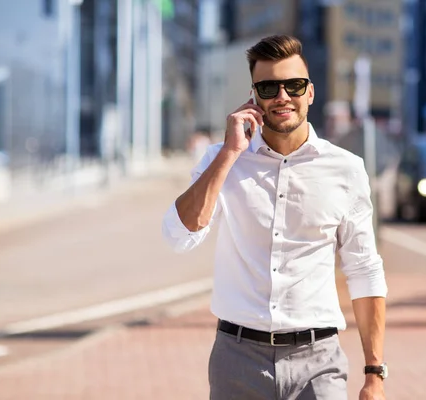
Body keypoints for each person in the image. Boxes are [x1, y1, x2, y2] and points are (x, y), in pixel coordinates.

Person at [162, 35, 388, 400]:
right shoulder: (221, 160)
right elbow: (178, 235)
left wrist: (374, 373)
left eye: (294, 85)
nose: (282, 96)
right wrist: (230, 154)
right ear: (254, 97)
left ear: (310, 93)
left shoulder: (346, 169)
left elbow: (364, 270)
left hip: (319, 362)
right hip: (237, 357)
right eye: (269, 87)